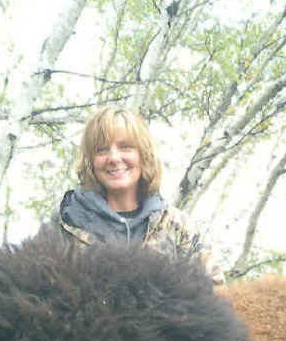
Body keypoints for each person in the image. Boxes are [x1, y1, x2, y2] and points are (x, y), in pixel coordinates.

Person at [41, 106, 224, 284]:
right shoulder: (64, 226)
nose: (113, 158)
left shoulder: (178, 227)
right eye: (102, 149)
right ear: (90, 161)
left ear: (143, 155)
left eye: (125, 147)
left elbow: (217, 298)